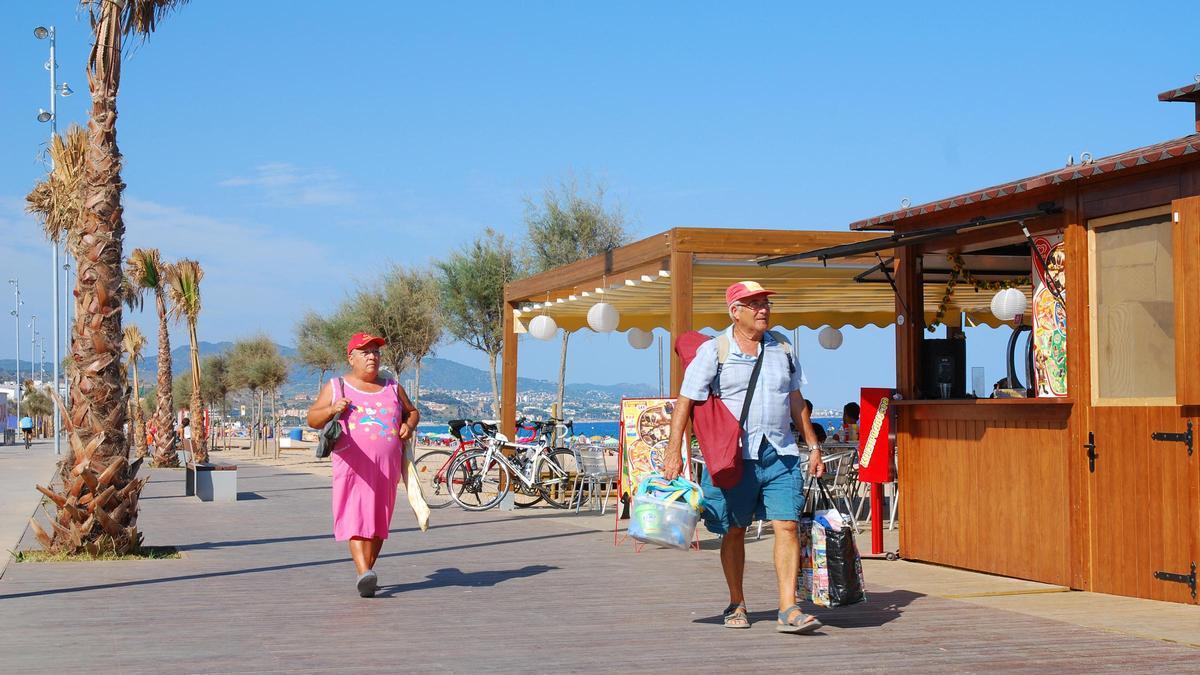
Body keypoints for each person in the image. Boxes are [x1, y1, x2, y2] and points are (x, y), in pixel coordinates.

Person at [662, 281, 825, 634]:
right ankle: (737, 601)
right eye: (754, 304)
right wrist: (674, 450)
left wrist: (812, 446)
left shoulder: (783, 347)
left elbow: (796, 401)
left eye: (765, 303)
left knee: (787, 525)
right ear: (735, 312)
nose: (763, 309)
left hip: (780, 452)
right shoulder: (715, 350)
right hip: (735, 457)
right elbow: (686, 401)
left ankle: (788, 607)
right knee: (735, 530)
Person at [307, 331, 419, 597]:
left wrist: (408, 425)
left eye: (376, 352)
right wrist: (333, 409)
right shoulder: (337, 387)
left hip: (387, 467)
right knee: (356, 517)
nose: (373, 357)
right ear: (351, 358)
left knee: (379, 520)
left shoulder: (392, 386)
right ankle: (363, 572)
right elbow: (313, 419)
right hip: (352, 466)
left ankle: (367, 573)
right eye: (366, 352)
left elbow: (412, 411)